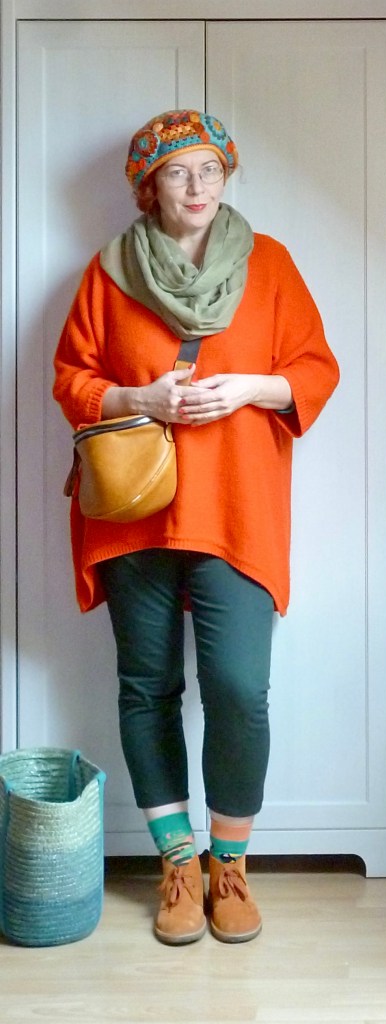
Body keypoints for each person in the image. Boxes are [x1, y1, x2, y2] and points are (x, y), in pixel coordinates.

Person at [53, 109, 339, 946]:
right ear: (150, 186)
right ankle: (178, 863)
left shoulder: (269, 263)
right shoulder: (108, 272)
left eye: (211, 169)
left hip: (235, 506)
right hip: (135, 511)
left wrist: (249, 387)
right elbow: (70, 377)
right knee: (147, 687)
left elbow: (315, 369)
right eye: (179, 172)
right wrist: (139, 398)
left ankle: (231, 867)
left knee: (240, 690)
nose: (198, 185)